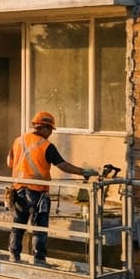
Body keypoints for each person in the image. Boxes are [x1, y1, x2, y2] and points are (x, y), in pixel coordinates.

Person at [7, 111, 97, 265]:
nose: (50, 134)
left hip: (18, 190)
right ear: (44, 128)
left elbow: (9, 162)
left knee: (18, 225)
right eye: (50, 130)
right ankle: (39, 259)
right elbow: (63, 166)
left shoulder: (18, 140)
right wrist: (83, 172)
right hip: (37, 192)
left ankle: (14, 256)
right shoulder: (46, 145)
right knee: (40, 227)